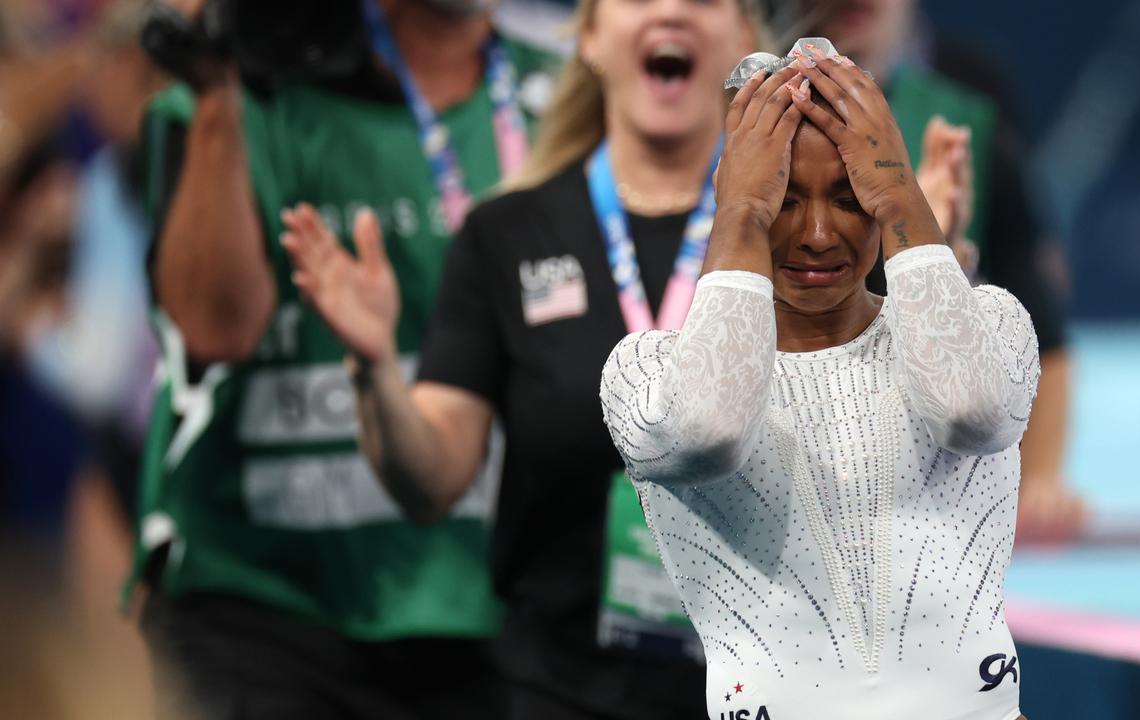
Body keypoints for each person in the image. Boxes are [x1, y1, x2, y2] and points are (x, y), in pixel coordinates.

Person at [280, 0, 771, 715]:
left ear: (744, 42)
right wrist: (375, 367)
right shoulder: (506, 234)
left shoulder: (802, 235)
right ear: (592, 40)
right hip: (556, 689)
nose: (670, 9)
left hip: (763, 692)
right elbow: (435, 478)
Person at [128, 0, 558, 717]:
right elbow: (213, 328)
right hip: (264, 601)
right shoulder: (244, 87)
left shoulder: (574, 98)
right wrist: (217, 96)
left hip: (491, 606)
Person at [601, 45, 1035, 719]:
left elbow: (971, 412)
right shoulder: (644, 372)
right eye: (782, 197)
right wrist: (741, 211)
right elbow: (709, 433)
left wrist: (898, 193)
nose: (817, 233)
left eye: (849, 195)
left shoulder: (994, 324)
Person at [789, 0, 1084, 543]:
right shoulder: (741, 116)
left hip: (924, 496)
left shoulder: (966, 123)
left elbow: (1045, 327)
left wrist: (1041, 481)